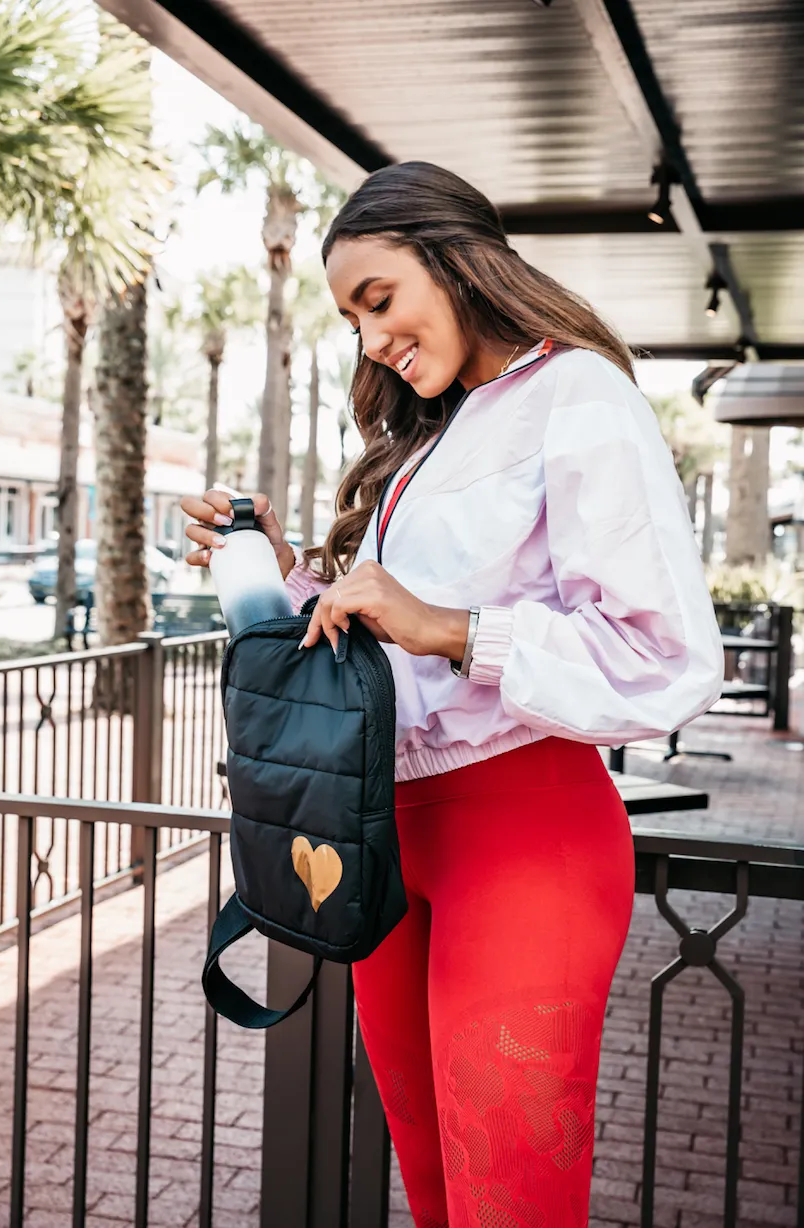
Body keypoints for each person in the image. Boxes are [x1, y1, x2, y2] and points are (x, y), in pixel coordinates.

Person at [181, 161, 724, 1228]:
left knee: (509, 1198)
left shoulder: (577, 395)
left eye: (378, 299)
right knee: (433, 1189)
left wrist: (451, 627)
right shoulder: (426, 438)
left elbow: (665, 658)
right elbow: (384, 639)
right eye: (352, 320)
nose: (372, 339)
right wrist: (288, 566)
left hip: (519, 830)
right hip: (384, 838)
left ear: (452, 256)